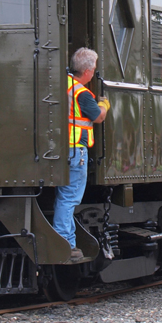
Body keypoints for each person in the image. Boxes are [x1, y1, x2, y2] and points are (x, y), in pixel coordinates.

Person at [53, 47, 109, 261]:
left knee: (63, 197)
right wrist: (104, 104)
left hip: (58, 150)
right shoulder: (81, 93)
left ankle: (64, 239)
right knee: (68, 198)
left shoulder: (61, 84)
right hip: (75, 150)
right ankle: (65, 243)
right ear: (87, 71)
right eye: (93, 70)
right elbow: (97, 117)